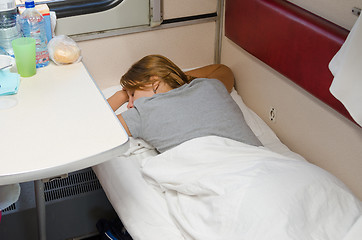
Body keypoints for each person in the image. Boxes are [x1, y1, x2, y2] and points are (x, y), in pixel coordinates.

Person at [107, 54, 262, 153]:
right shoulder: (210, 86)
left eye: (132, 94)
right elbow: (222, 70)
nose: (129, 105)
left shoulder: (143, 112)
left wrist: (119, 96)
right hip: (261, 161)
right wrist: (174, 78)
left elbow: (95, 128)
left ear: (154, 82)